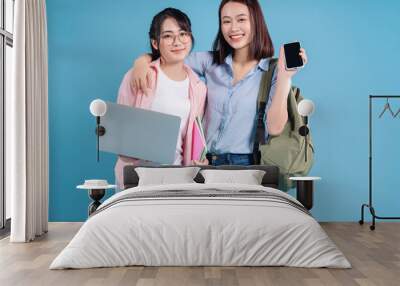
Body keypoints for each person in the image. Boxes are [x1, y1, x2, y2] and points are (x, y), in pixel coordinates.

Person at [131, 0, 308, 166]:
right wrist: (142, 61)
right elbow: (170, 57)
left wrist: (286, 76)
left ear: (256, 22)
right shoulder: (210, 61)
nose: (233, 28)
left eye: (241, 19)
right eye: (226, 21)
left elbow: (275, 127)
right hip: (205, 163)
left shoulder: (272, 71)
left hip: (246, 165)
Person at [114, 8, 207, 189]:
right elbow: (119, 131)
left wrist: (199, 161)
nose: (177, 42)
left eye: (183, 34)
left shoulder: (199, 88)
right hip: (139, 176)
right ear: (155, 43)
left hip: (179, 177)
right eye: (167, 36)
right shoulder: (138, 75)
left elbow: (196, 136)